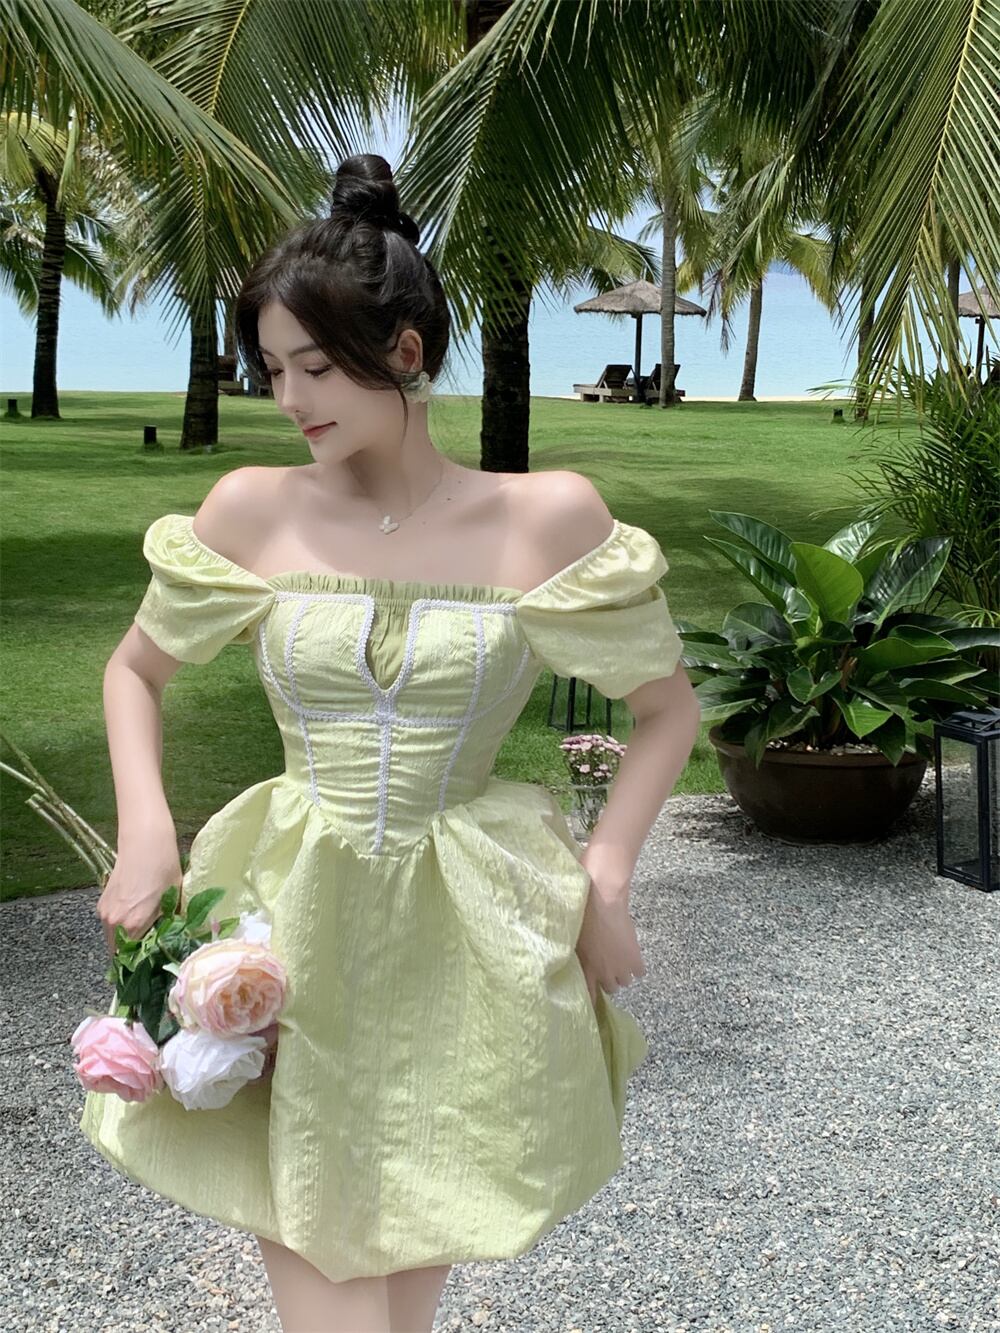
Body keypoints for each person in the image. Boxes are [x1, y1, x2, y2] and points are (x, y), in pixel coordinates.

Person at [79, 153, 702, 1333]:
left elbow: (668, 711)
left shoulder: (544, 519)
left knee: (414, 1244)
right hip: (289, 911)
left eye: (315, 367)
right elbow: (134, 671)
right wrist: (147, 833)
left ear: (405, 354)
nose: (288, 398)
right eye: (272, 369)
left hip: (464, 929)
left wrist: (605, 881)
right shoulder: (253, 509)